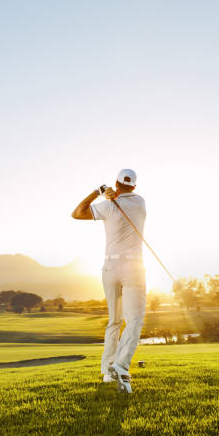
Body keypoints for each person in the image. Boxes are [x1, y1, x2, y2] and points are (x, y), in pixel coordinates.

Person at [71, 168, 146, 393]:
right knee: (134, 320)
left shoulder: (108, 205)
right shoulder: (140, 202)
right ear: (134, 186)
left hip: (110, 267)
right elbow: (121, 197)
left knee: (114, 320)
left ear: (116, 183)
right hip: (133, 268)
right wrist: (109, 195)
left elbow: (77, 213)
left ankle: (107, 372)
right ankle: (120, 366)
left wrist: (98, 192)